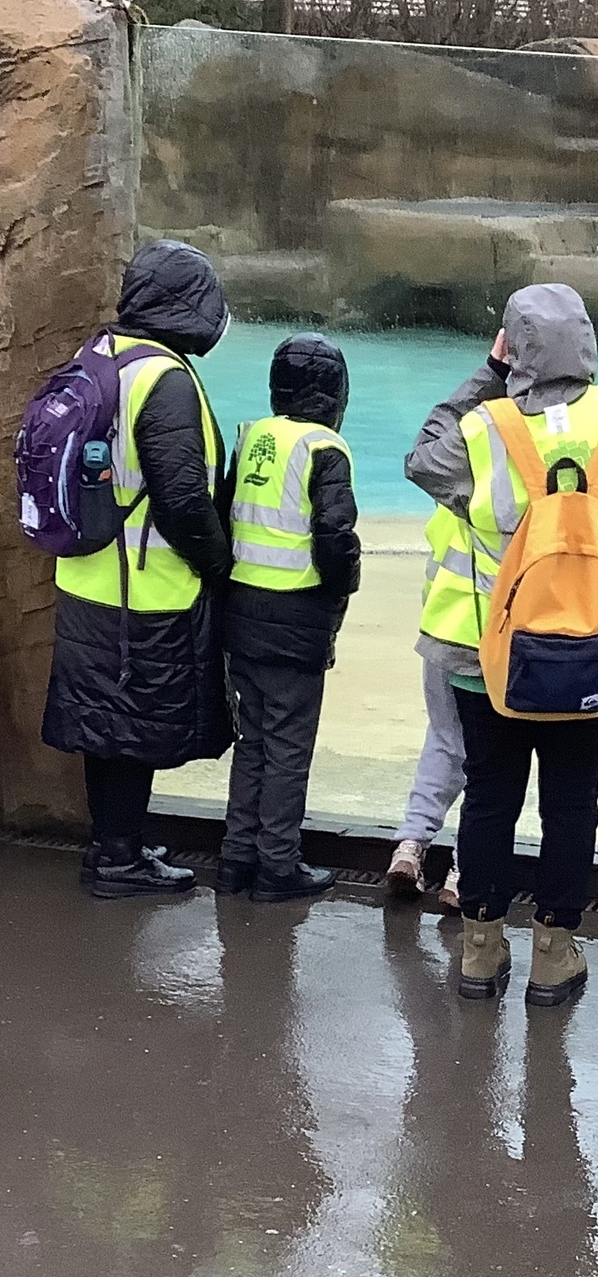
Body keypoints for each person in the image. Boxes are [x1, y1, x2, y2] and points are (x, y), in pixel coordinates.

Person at [405, 283, 598, 1007]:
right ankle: (554, 958)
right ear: (588, 343)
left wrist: (487, 374)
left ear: (512, 347)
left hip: (487, 658)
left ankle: (479, 954)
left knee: (490, 798)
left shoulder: (483, 430)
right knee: (572, 801)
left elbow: (421, 458)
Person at [43, 239, 234, 898]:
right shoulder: (165, 379)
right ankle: (119, 859)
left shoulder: (100, 353)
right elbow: (182, 498)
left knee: (105, 726)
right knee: (128, 728)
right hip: (143, 592)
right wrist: (217, 563)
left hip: (86, 578)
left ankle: (113, 843)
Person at [217, 334, 361, 901]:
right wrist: (344, 586)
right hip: (295, 618)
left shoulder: (253, 436)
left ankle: (235, 859)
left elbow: (222, 514)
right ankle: (277, 865)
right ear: (336, 394)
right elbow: (334, 535)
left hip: (241, 611)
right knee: (287, 748)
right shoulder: (326, 448)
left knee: (252, 741)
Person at [385, 505, 468, 914]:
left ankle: (411, 845)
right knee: (494, 760)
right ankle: (465, 870)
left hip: (440, 627)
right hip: (491, 641)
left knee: (443, 737)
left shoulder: (451, 500)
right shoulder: (520, 496)